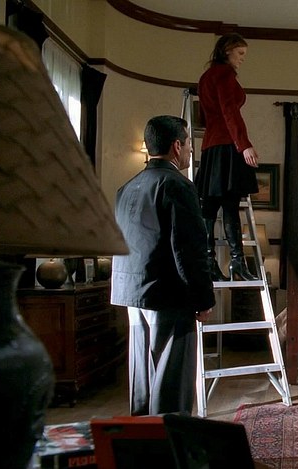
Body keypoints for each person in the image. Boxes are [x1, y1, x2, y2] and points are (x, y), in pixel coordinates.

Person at [111, 115, 215, 415]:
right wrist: (203, 299)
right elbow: (189, 250)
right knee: (171, 382)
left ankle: (142, 437)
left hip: (131, 292)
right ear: (177, 146)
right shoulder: (178, 185)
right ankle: (169, 438)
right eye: (189, 143)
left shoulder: (125, 188)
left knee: (142, 378)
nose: (191, 150)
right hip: (168, 294)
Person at [195, 32, 259, 281]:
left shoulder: (206, 77)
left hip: (210, 147)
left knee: (209, 207)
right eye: (240, 53)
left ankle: (209, 263)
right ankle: (237, 263)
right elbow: (230, 111)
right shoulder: (224, 74)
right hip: (226, 145)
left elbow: (205, 116)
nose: (243, 58)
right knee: (230, 206)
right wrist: (244, 145)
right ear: (227, 51)